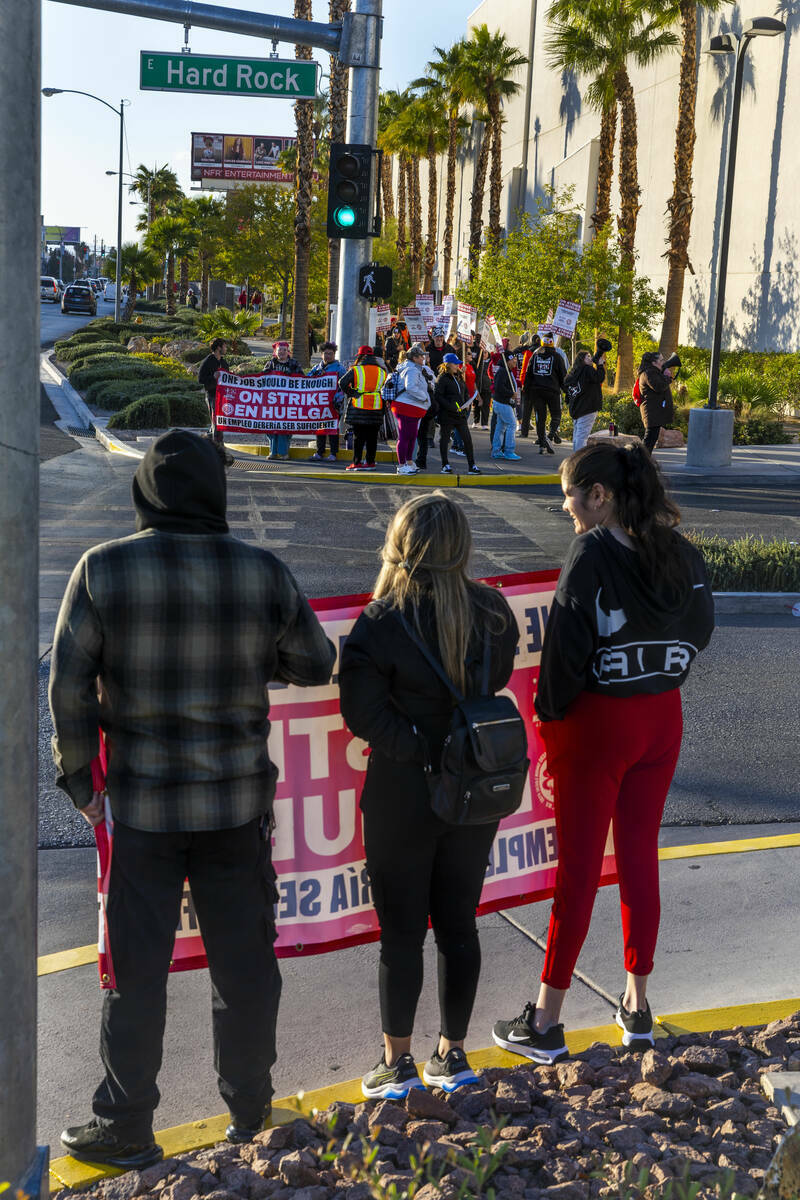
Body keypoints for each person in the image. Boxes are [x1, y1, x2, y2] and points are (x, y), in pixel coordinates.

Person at [50, 431, 336, 1167]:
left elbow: (67, 685)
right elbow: (315, 659)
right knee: (243, 969)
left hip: (142, 812)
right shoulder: (259, 571)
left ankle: (126, 1125)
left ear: (145, 492)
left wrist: (83, 782)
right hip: (235, 810)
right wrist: (252, 653)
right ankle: (248, 1112)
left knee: (135, 973)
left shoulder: (102, 570)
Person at [492, 442, 714, 1064]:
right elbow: (701, 625)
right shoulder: (677, 547)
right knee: (640, 858)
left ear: (600, 495)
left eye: (568, 494)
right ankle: (637, 1007)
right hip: (660, 720)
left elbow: (564, 649)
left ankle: (546, 1018)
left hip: (597, 725)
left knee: (580, 870)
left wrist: (550, 716)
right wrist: (665, 666)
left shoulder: (590, 553)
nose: (564, 506)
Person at [339, 492, 519, 1098]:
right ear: (462, 547)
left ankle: (396, 1065)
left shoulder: (380, 621)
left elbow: (361, 714)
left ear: (400, 544)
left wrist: (418, 748)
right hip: (474, 789)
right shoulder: (494, 612)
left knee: (400, 933)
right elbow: (491, 685)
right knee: (458, 923)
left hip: (402, 794)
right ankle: (454, 1054)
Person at [340, 345, 388, 472]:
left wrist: (352, 393)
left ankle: (357, 463)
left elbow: (342, 383)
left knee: (359, 437)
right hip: (376, 407)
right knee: (372, 438)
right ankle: (370, 462)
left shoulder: (356, 370)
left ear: (360, 356)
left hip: (359, 406)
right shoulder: (382, 371)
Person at [521, 334, 567, 453]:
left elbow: (528, 373)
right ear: (552, 343)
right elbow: (563, 376)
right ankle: (550, 436)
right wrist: (567, 392)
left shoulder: (535, 356)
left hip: (536, 391)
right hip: (552, 391)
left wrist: (526, 389)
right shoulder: (557, 357)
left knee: (540, 418)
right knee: (556, 415)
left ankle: (542, 443)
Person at [435, 355, 480, 475]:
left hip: (460, 415)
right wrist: (451, 407)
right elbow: (438, 396)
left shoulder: (459, 376)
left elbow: (464, 392)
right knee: (444, 440)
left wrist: (466, 404)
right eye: (455, 364)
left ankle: (472, 466)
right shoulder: (442, 378)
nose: (457, 366)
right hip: (447, 415)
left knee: (467, 440)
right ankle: (445, 465)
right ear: (448, 364)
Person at [393, 343, 430, 474]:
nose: (423, 359)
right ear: (414, 358)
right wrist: (424, 397)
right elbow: (410, 387)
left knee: (411, 435)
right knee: (405, 436)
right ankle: (402, 465)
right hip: (406, 406)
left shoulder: (412, 368)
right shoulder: (412, 369)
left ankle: (408, 461)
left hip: (409, 406)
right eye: (421, 356)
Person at [197, 338, 234, 464]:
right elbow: (200, 379)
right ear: (218, 347)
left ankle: (211, 444)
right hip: (212, 395)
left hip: (223, 397)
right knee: (216, 422)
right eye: (224, 346)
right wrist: (213, 377)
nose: (226, 349)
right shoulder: (208, 361)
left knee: (220, 422)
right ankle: (217, 448)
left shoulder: (223, 362)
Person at [265, 340, 303, 459]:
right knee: (271, 426)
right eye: (279, 350)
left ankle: (284, 452)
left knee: (284, 426)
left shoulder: (294, 364)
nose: (281, 352)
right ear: (275, 352)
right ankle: (273, 451)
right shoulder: (271, 363)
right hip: (273, 401)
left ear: (288, 352)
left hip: (288, 401)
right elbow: (262, 377)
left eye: (284, 350)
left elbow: (302, 378)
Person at [308, 341, 346, 461]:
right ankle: (320, 452)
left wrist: (337, 400)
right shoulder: (316, 368)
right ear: (321, 355)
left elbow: (344, 386)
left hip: (334, 405)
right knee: (320, 429)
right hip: (319, 405)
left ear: (334, 354)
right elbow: (307, 380)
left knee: (333, 429)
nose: (327, 356)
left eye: (330, 353)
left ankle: (333, 453)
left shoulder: (340, 369)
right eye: (325, 353)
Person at [566, 346, 607, 450]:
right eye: (587, 357)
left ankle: (574, 458)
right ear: (582, 360)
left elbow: (567, 389)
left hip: (576, 408)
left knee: (577, 435)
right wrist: (600, 365)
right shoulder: (587, 369)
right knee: (582, 437)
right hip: (588, 408)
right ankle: (578, 460)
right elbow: (599, 377)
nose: (590, 358)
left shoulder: (573, 372)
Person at [638, 352, 676, 452]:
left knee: (651, 439)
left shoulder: (653, 372)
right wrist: (667, 377)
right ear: (654, 363)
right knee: (649, 440)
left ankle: (643, 462)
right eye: (661, 360)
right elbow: (659, 387)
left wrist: (665, 376)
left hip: (654, 412)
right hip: (651, 412)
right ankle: (640, 462)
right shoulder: (649, 373)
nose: (664, 362)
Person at [490, 349, 522, 461]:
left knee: (500, 427)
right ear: (508, 360)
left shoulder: (506, 371)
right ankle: (509, 451)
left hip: (502, 403)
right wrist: (511, 394)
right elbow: (499, 387)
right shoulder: (503, 371)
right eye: (513, 359)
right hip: (503, 403)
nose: (515, 361)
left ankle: (496, 450)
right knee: (512, 425)